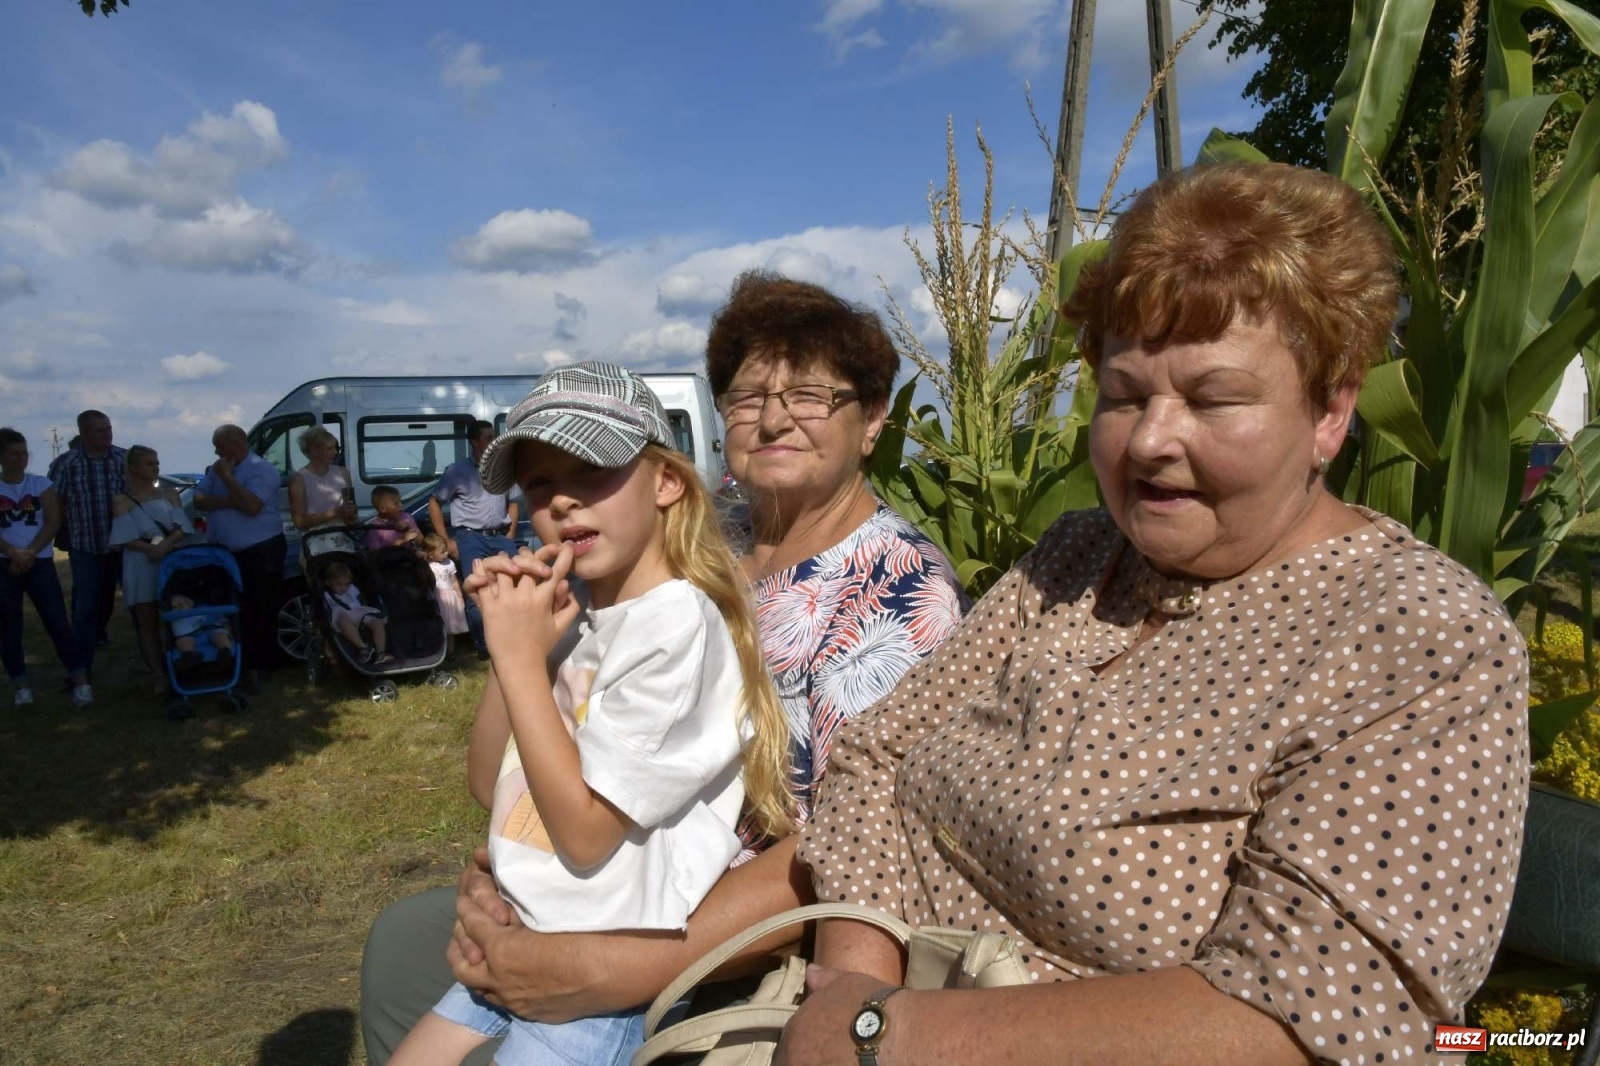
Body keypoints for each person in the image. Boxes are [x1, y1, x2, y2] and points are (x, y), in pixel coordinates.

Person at [773, 163, 1532, 1066]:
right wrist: (854, 982)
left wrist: (881, 1036)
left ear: (1331, 410)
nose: (1149, 439)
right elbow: (876, 756)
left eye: (1212, 398)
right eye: (1126, 395)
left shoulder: (1417, 637)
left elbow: (1312, 1013)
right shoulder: (1079, 558)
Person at [361, 273, 965, 1065]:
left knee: (418, 961)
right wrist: (511, 873)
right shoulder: (696, 540)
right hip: (598, 883)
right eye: (747, 397)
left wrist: (614, 967)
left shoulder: (898, 588)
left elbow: (851, 846)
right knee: (403, 938)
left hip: (729, 945)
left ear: (874, 419)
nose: (775, 416)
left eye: (812, 394)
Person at [390, 362, 797, 1066]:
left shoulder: (677, 628)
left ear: (666, 481)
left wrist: (522, 662)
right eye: (541, 485)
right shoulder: (585, 621)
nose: (563, 504)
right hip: (530, 927)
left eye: (591, 471)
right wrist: (513, 655)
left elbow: (584, 837)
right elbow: (491, 785)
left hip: (598, 969)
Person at [0, 428, 91, 707]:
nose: (22, 458)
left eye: (24, 452)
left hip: (39, 562)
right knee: (8, 625)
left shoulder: (41, 485)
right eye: (14, 453)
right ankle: (21, 685)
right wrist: (13, 552)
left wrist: (29, 552)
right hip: (4, 563)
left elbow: (53, 521)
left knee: (56, 621)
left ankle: (80, 680)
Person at [194, 424, 285, 688]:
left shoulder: (261, 469)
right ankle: (236, 659)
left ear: (236, 443)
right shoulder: (218, 467)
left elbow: (252, 506)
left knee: (261, 607)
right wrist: (229, 499)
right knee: (233, 608)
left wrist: (228, 479)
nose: (215, 451)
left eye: (218, 445)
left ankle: (262, 664)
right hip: (226, 553)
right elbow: (199, 499)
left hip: (260, 549)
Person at [428, 421, 521, 658]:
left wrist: (510, 533)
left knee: (513, 586)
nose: (493, 440)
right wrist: (445, 539)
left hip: (500, 537)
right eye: (489, 437)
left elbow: (513, 501)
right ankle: (484, 647)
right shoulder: (457, 471)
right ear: (475, 441)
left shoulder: (503, 467)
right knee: (476, 591)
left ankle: (513, 641)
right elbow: (434, 502)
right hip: (470, 538)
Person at [110, 445, 196, 696]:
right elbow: (125, 537)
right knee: (147, 621)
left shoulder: (169, 494)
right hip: (141, 561)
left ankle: (184, 662)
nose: (156, 467)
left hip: (170, 558)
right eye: (150, 463)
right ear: (134, 468)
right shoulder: (122, 500)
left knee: (178, 612)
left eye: (157, 462)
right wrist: (150, 549)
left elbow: (182, 526)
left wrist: (166, 544)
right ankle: (158, 674)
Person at [47, 409, 125, 675]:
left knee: (137, 605)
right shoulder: (66, 464)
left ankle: (158, 667)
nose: (107, 434)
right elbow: (54, 505)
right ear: (83, 433)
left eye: (109, 428)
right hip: (86, 547)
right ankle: (80, 672)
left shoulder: (123, 458)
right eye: (99, 430)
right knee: (84, 610)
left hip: (123, 547)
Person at [288, 425, 358, 555]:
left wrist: (351, 515)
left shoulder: (342, 473)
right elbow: (299, 521)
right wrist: (335, 513)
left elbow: (351, 512)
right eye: (330, 448)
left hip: (343, 538)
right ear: (314, 450)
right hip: (315, 541)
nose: (335, 452)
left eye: (336, 448)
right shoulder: (299, 479)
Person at [321, 560, 391, 665]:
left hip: (358, 612)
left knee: (377, 622)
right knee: (342, 619)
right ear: (328, 583)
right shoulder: (327, 595)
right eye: (339, 584)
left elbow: (361, 599)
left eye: (347, 584)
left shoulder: (352, 589)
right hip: (342, 614)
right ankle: (363, 648)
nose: (344, 588)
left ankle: (381, 653)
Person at [422, 534, 469, 648]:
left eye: (445, 551)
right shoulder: (428, 566)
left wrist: (459, 595)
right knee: (440, 624)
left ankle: (450, 651)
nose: (446, 554)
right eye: (442, 552)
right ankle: (438, 649)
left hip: (449, 596)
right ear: (431, 554)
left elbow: (453, 581)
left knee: (449, 627)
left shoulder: (449, 563)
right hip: (437, 597)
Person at [168, 593, 235, 668]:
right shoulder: (177, 619)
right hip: (190, 635)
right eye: (173, 607)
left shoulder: (202, 609)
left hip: (211, 628)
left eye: (180, 605)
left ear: (189, 603)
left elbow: (220, 619)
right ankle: (189, 654)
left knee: (220, 635)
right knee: (181, 641)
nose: (177, 609)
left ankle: (224, 651)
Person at [365, 485, 421, 552]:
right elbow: (376, 554)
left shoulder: (406, 518)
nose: (401, 505)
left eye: (400, 502)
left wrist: (408, 527)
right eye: (396, 504)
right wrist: (400, 541)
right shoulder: (374, 528)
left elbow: (421, 540)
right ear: (382, 509)